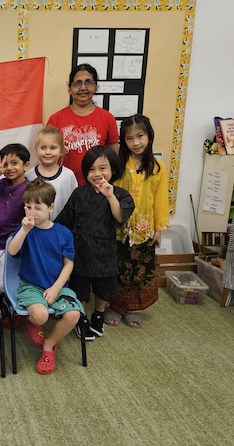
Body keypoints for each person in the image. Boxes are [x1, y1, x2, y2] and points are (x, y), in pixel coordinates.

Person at [55, 146, 134, 340]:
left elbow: (120, 217)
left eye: (102, 168)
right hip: (80, 250)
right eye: (91, 169)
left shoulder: (121, 194)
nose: (97, 173)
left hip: (105, 252)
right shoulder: (79, 194)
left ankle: (99, 314)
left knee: (103, 287)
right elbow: (64, 221)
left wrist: (110, 195)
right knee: (80, 288)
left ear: (113, 169)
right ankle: (80, 317)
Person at [7, 179, 84, 375]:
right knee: (40, 316)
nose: (32, 212)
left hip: (57, 286)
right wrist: (24, 230)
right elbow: (12, 251)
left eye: (38, 208)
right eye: (28, 207)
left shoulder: (64, 233)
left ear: (51, 207)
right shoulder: (25, 230)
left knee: (73, 315)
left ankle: (49, 345)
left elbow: (69, 264)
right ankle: (32, 321)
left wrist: (56, 288)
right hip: (30, 286)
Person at [106, 114, 170, 328]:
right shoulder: (118, 165)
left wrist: (158, 229)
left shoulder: (158, 167)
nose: (135, 142)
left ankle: (131, 308)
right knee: (117, 267)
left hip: (143, 229)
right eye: (129, 138)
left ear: (149, 135)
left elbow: (160, 200)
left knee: (138, 269)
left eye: (140, 136)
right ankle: (114, 306)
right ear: (123, 140)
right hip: (118, 228)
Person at [47, 64, 120, 186]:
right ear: (70, 88)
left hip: (97, 186)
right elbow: (47, 155)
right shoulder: (55, 119)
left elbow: (113, 157)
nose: (83, 88)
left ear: (95, 87)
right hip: (63, 185)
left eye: (88, 82)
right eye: (77, 83)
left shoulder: (107, 118)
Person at [0, 143, 30, 293]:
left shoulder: (29, 189)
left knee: (3, 283)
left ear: (26, 165)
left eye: (14, 163)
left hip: (11, 243)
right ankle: (4, 302)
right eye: (5, 164)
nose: (9, 168)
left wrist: (17, 235)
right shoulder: (3, 184)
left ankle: (15, 302)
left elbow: (33, 217)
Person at [25, 127, 78, 220]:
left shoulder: (68, 176)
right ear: (36, 150)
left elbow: (75, 204)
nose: (48, 152)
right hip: (35, 225)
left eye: (53, 148)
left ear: (61, 151)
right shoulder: (29, 175)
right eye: (43, 148)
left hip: (63, 226)